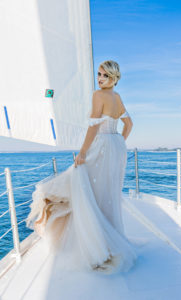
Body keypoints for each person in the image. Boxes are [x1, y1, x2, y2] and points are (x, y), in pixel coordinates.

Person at [26, 60, 138, 275]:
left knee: (85, 188)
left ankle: (96, 245)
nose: (99, 78)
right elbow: (129, 125)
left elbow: (93, 128)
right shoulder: (117, 97)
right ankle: (107, 242)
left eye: (104, 75)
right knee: (107, 195)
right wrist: (119, 142)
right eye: (98, 74)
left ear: (113, 77)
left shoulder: (98, 95)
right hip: (116, 146)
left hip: (101, 145)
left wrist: (83, 152)